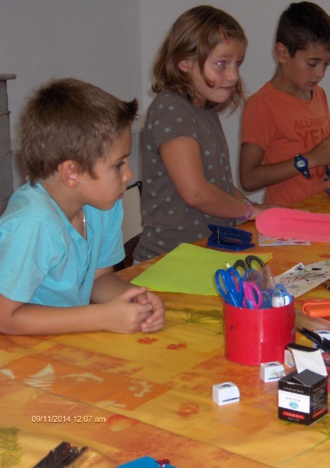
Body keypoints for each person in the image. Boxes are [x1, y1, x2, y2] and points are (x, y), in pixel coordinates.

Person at [0, 78, 165, 335]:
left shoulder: (103, 205)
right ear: (72, 173)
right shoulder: (32, 222)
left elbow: (97, 279)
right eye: (118, 164)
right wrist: (101, 317)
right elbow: (5, 318)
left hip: (66, 346)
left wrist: (133, 299)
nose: (129, 174)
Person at [133, 6, 269, 262]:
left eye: (237, 63)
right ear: (184, 62)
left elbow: (217, 184)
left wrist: (256, 209)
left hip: (204, 254)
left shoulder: (204, 110)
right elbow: (195, 191)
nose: (233, 75)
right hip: (168, 261)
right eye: (222, 63)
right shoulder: (170, 109)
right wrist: (249, 211)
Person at [239, 1, 330, 207]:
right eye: (312, 63)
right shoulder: (262, 105)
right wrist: (308, 159)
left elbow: (323, 162)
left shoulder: (318, 94)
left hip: (323, 209)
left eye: (327, 63)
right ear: (282, 53)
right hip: (289, 218)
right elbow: (249, 178)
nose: (321, 73)